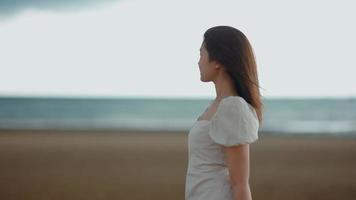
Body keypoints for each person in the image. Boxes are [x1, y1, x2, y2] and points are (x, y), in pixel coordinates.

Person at [185, 25, 263, 200]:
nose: (198, 61)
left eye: (201, 53)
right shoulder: (218, 105)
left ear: (218, 60)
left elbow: (240, 184)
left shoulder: (232, 108)